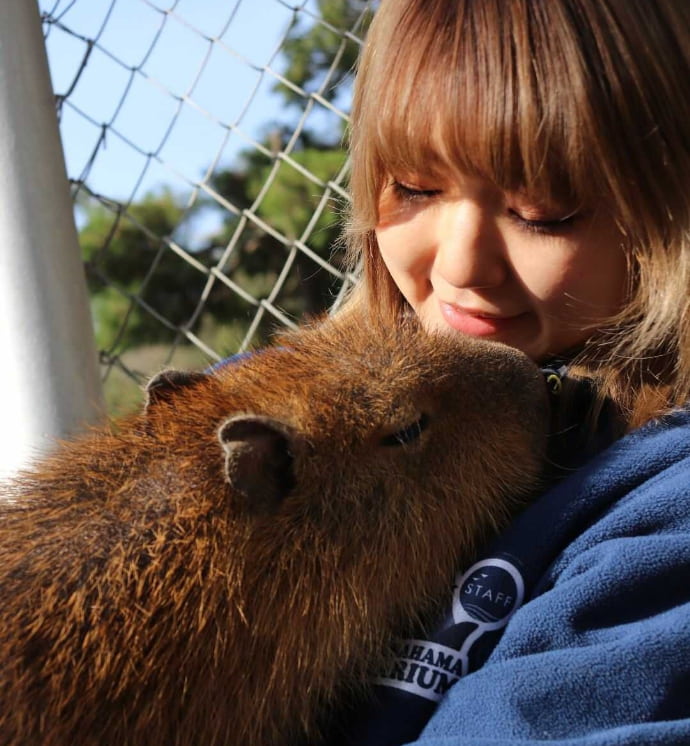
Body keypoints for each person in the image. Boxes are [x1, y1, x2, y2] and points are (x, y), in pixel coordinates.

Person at [336, 0, 690, 743]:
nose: (461, 264)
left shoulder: (665, 507)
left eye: (544, 210)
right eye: (414, 187)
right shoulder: (274, 401)